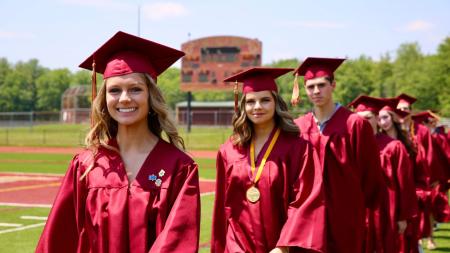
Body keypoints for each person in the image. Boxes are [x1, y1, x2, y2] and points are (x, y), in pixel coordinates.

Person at [36, 31, 201, 253]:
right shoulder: (86, 166)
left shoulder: (179, 168)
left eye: (135, 89)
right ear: (104, 98)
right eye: (115, 90)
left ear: (150, 96)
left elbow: (177, 242)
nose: (124, 98)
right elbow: (59, 238)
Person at [211, 67, 325, 253]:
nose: (257, 107)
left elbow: (306, 200)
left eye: (265, 100)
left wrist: (284, 246)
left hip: (282, 246)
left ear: (276, 103)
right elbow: (223, 208)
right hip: (237, 247)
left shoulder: (298, 148)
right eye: (250, 101)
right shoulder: (229, 151)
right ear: (243, 106)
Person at [292, 57, 384, 253]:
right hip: (307, 218)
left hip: (345, 214)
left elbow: (370, 173)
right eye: (310, 87)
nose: (316, 91)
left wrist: (359, 208)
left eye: (321, 85)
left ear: (333, 85)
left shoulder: (354, 124)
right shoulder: (299, 126)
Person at [348, 95, 417, 253]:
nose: (363, 122)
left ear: (377, 118)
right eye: (359, 118)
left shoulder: (393, 147)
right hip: (357, 212)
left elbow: (404, 184)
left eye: (368, 117)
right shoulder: (349, 146)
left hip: (386, 211)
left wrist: (403, 216)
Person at [395, 93, 445, 250]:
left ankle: (427, 238)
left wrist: (432, 177)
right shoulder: (391, 129)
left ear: (411, 111)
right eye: (400, 109)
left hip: (419, 179)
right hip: (400, 181)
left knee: (424, 212)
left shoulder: (421, 130)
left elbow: (430, 154)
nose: (403, 111)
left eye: (405, 109)